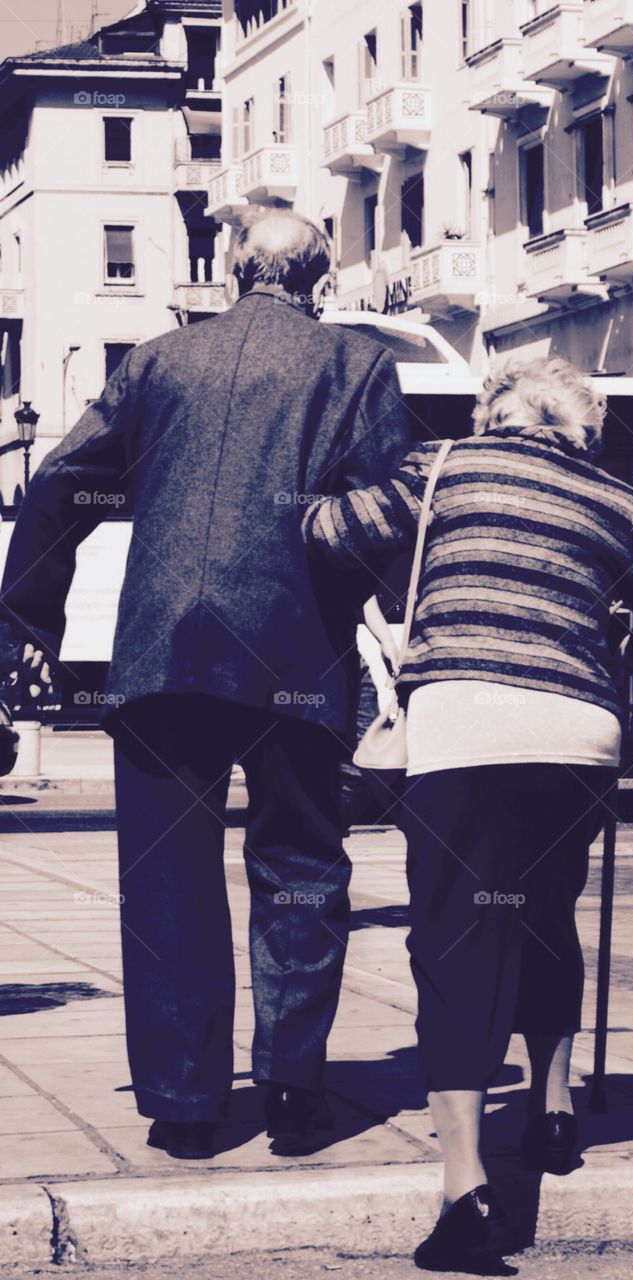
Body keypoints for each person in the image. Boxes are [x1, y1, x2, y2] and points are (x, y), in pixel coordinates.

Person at [0, 208, 411, 1160]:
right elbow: (384, 514)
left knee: (167, 883)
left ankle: (185, 1104)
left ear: (231, 272)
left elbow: (63, 481)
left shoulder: (156, 362)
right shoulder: (356, 367)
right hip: (293, 650)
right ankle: (293, 1089)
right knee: (299, 866)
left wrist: (26, 622)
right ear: (321, 277)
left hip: (159, 655)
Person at [303, 356, 633, 1269]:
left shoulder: (442, 466)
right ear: (582, 431)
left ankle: (465, 1193)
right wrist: (613, 628)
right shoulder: (615, 500)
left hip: (467, 731)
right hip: (577, 743)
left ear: (495, 414)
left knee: (456, 943)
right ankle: (555, 1108)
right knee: (541, 920)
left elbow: (335, 532)